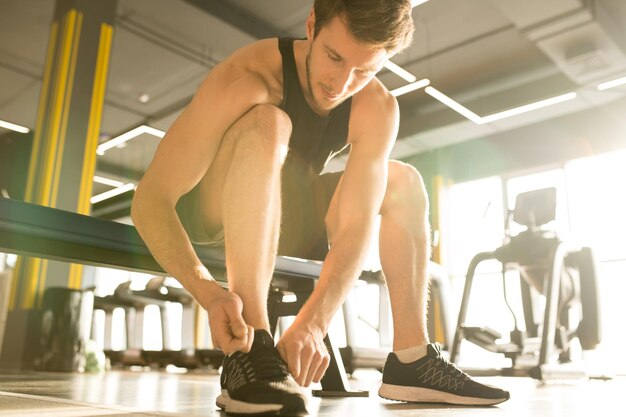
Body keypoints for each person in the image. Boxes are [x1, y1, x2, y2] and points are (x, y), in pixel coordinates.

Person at [131, 0, 510, 414]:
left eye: (363, 70)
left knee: (402, 180)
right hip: (211, 214)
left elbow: (354, 225)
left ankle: (412, 359)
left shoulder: (377, 107)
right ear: (312, 25)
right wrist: (207, 292)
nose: (341, 83)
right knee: (271, 123)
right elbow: (150, 200)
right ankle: (251, 348)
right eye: (334, 57)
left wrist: (313, 322)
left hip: (283, 207)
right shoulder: (248, 77)